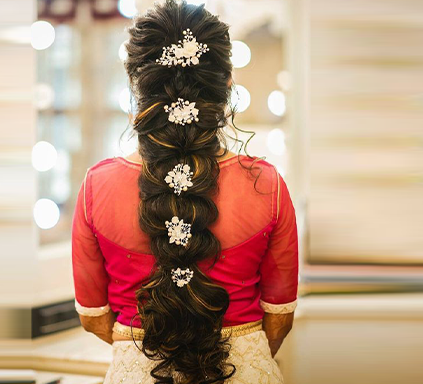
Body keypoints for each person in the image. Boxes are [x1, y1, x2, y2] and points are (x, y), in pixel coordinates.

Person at [70, 1, 299, 383]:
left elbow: (93, 317)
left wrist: (141, 350)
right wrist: (243, 350)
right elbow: (279, 318)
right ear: (226, 85)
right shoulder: (268, 186)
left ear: (138, 86)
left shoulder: (97, 186)